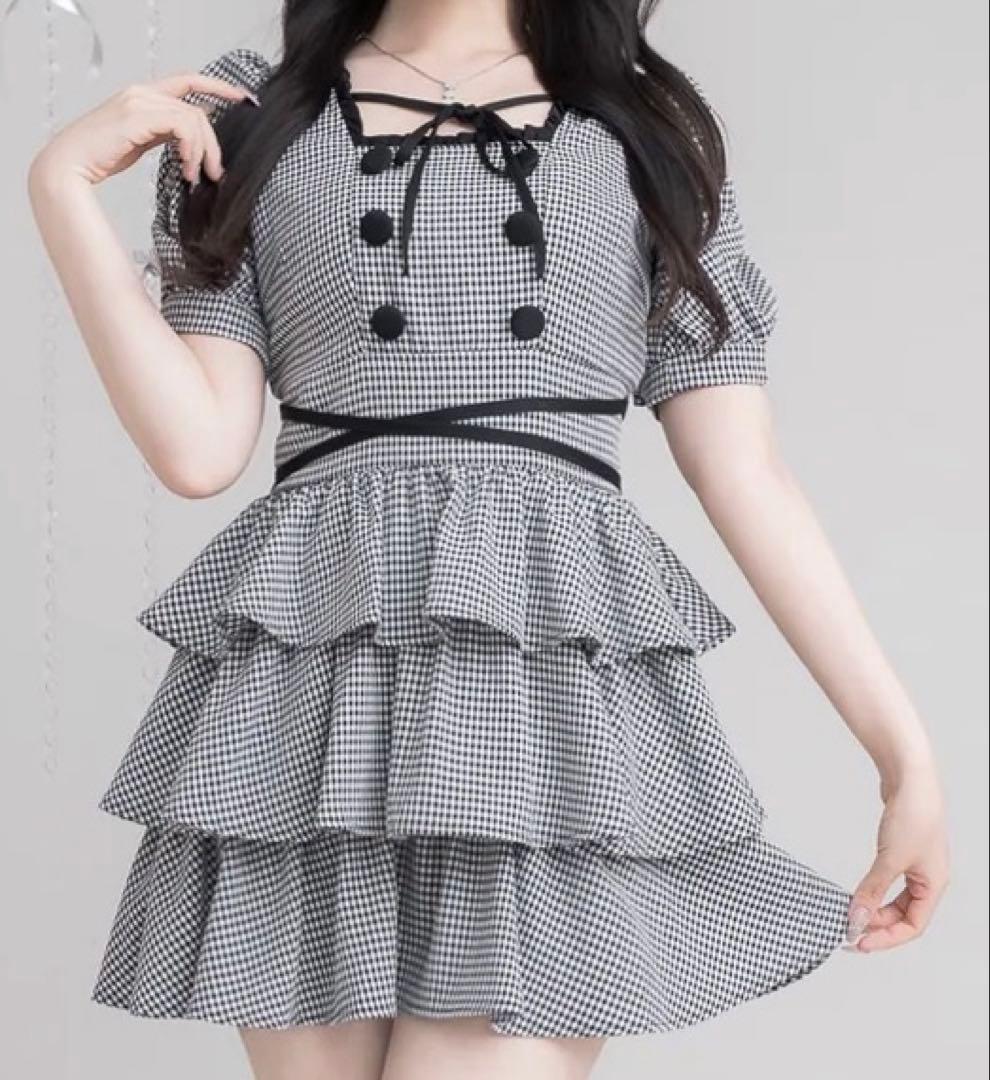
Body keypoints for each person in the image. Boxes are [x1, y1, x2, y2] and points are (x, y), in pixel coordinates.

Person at [26, 2, 950, 1078]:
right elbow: (197, 448)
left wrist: (903, 753)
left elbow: (746, 470)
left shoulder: (643, 123)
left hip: (539, 681)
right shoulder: (258, 110)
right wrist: (59, 187)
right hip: (314, 687)